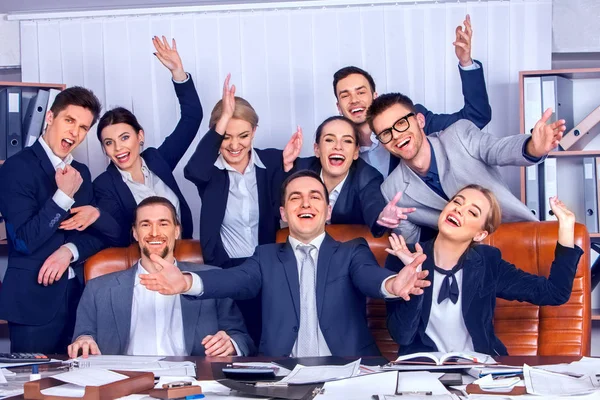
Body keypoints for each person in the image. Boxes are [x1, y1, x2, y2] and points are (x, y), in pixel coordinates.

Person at [138, 170, 430, 357]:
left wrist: (392, 284)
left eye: (315, 197)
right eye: (295, 198)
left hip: (349, 374)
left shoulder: (352, 251)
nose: (305, 204)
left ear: (327, 211)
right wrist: (187, 282)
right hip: (282, 378)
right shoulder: (265, 257)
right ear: (283, 213)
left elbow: (370, 277)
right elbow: (233, 280)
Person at [384, 185, 583, 356]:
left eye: (473, 212)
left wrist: (566, 227)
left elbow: (555, 293)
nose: (459, 210)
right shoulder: (403, 257)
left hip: (479, 370)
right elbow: (402, 335)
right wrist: (415, 277)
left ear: (480, 234)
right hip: (422, 372)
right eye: (456, 202)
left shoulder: (488, 262)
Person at [183, 75, 300, 344]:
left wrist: (287, 168)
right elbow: (192, 171)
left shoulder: (272, 161)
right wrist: (222, 119)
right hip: (225, 272)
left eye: (244, 135)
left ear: (254, 132)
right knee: (235, 342)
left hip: (267, 269)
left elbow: (286, 205)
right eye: (226, 136)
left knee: (269, 340)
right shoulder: (209, 172)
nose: (235, 145)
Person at [68, 196, 255, 358]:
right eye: (145, 224)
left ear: (177, 230)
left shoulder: (211, 280)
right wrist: (84, 341)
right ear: (135, 233)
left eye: (163, 223)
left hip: (192, 382)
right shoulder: (97, 289)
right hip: (126, 384)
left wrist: (231, 344)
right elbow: (83, 337)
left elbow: (242, 339)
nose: (155, 232)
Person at [0, 86, 111, 353]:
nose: (75, 132)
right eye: (69, 121)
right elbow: (23, 240)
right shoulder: (16, 168)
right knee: (33, 389)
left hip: (80, 305)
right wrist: (63, 196)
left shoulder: (81, 172)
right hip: (33, 304)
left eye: (83, 127)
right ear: (50, 117)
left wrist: (69, 251)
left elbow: (96, 235)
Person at [369, 92, 566, 244]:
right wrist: (394, 224)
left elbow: (497, 149)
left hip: (516, 238)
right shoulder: (392, 191)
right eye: (385, 133)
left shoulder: (458, 135)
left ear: (420, 120)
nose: (396, 135)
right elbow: (413, 242)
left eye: (401, 123)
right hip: (464, 264)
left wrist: (532, 147)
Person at [333, 15, 491, 179]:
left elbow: (476, 117)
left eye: (360, 92)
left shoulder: (409, 121)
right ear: (338, 106)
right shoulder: (337, 147)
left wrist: (466, 62)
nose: (354, 100)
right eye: (345, 95)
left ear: (375, 96)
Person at [93, 36, 202, 247]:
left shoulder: (157, 160)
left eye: (124, 137)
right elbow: (117, 235)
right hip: (141, 264)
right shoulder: (104, 185)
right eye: (109, 142)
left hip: (182, 255)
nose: (118, 148)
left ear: (140, 136)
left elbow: (192, 118)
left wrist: (178, 73)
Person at [293, 116, 415, 236]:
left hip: (345, 249)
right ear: (317, 149)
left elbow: (372, 205)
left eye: (347, 141)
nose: (338, 146)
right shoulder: (299, 170)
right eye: (329, 140)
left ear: (356, 152)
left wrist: (383, 216)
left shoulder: (367, 177)